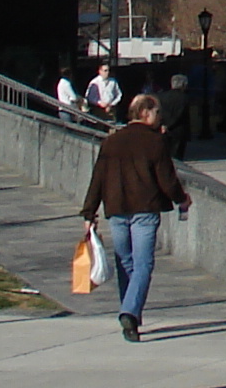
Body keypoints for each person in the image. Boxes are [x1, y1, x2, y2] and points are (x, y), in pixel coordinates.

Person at [78, 93, 190, 343]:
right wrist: (182, 199)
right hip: (145, 209)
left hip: (116, 209)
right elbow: (167, 179)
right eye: (157, 113)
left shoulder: (112, 142)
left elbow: (98, 178)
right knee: (143, 264)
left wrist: (89, 212)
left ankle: (130, 316)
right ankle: (129, 312)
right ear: (145, 113)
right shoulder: (155, 143)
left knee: (125, 262)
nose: (160, 118)